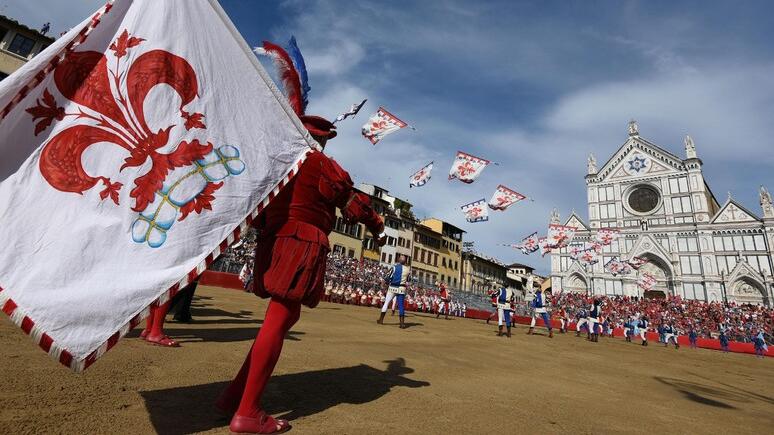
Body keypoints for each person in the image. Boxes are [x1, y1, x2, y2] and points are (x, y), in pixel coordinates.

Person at [216, 41, 386, 434]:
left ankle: (234, 398)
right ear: (320, 138)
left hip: (274, 242)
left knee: (279, 317)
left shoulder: (279, 162)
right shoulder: (321, 164)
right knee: (279, 318)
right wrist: (377, 226)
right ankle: (246, 412)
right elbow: (353, 204)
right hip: (301, 243)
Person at [377, 255, 410, 329]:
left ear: (399, 260)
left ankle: (381, 320)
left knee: (386, 303)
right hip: (402, 288)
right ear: (405, 262)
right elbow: (408, 279)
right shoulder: (408, 270)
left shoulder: (394, 267)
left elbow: (388, 276)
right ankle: (402, 323)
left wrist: (384, 283)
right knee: (401, 306)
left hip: (392, 287)